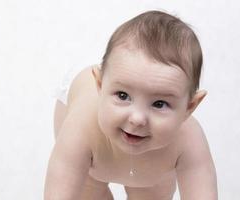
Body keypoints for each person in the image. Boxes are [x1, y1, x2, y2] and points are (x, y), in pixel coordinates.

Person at [44, 10, 218, 200]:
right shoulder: (81, 128)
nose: (137, 119)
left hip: (156, 168)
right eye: (122, 95)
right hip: (91, 146)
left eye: (159, 104)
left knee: (154, 192)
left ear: (189, 107)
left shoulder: (189, 141)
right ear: (100, 86)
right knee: (89, 190)